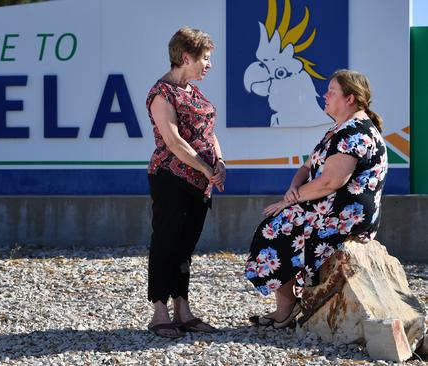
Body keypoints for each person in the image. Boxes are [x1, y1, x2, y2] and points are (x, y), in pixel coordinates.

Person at [244, 69, 388, 328]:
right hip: (330, 207)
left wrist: (290, 201)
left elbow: (332, 181)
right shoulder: (338, 130)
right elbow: (305, 168)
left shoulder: (355, 131)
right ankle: (289, 305)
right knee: (279, 221)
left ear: (350, 98)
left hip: (347, 216)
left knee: (275, 228)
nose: (325, 95)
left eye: (332, 91)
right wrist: (293, 190)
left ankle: (287, 308)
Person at [145, 27, 226, 338]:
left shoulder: (194, 92)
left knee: (185, 247)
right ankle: (159, 311)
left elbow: (209, 133)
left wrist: (219, 163)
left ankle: (183, 309)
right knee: (166, 242)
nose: (209, 65)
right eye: (205, 59)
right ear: (185, 56)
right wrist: (207, 169)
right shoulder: (161, 93)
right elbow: (174, 141)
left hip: (200, 182)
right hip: (171, 179)